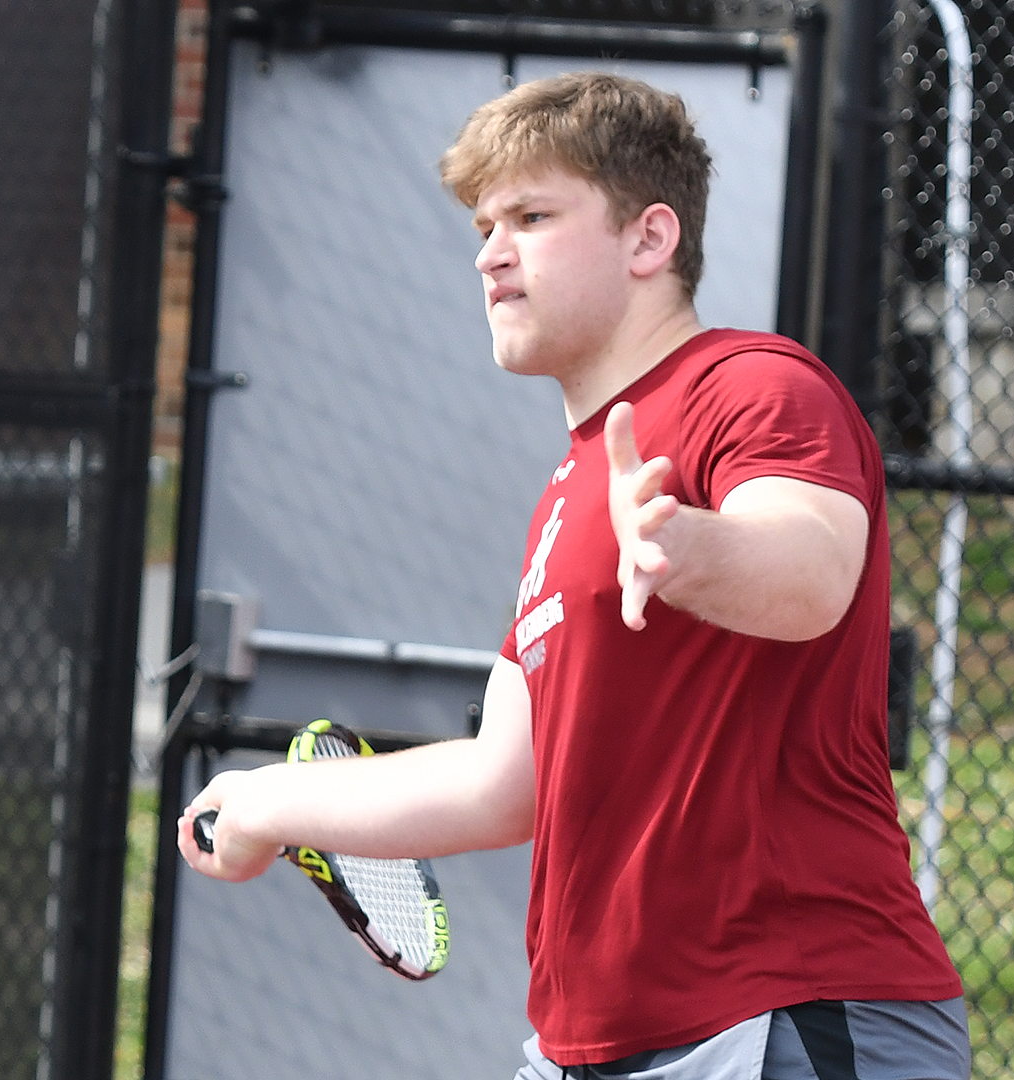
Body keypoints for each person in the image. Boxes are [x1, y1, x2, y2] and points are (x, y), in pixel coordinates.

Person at [178, 71, 969, 1080]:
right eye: (482, 225)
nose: (491, 255)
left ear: (650, 238)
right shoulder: (569, 490)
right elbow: (501, 780)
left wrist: (690, 548)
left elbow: (810, 572)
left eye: (532, 216)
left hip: (784, 1015)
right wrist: (267, 803)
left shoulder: (757, 386)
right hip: (590, 1048)